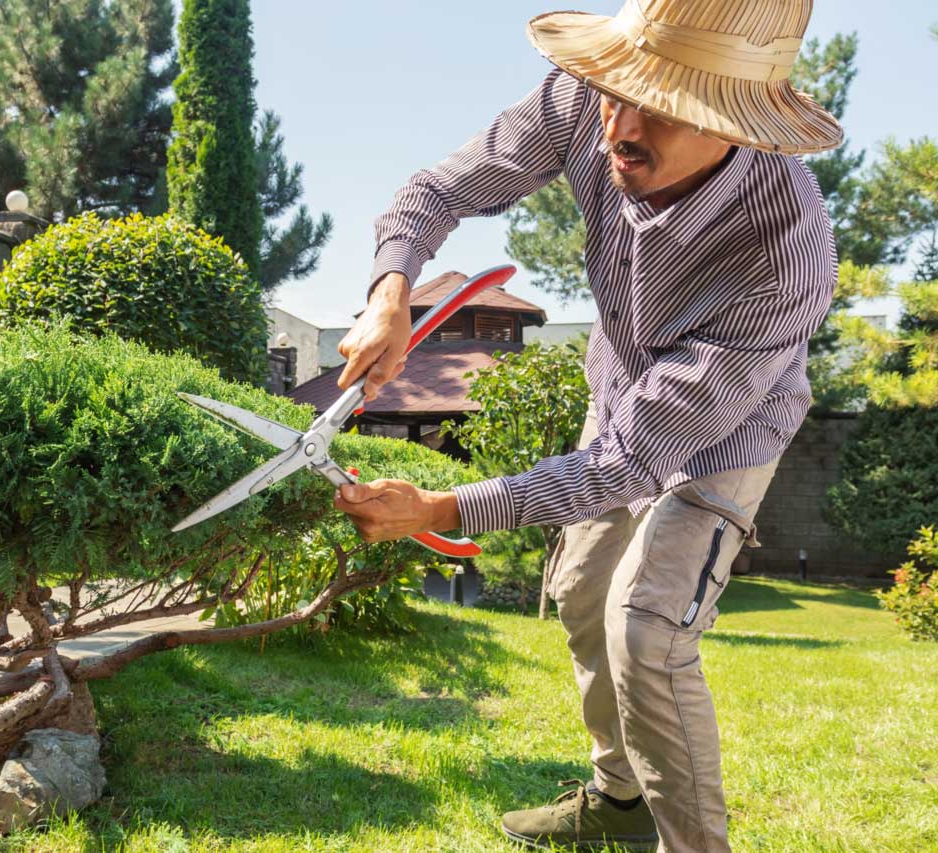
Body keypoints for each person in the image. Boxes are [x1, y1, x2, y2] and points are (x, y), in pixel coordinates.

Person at [332, 1, 841, 850]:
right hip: (621, 390)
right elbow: (439, 188)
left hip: (725, 431)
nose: (622, 125)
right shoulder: (583, 100)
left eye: (663, 107)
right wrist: (390, 291)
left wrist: (435, 509)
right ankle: (618, 805)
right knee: (580, 592)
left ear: (737, 128)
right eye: (618, 90)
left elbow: (631, 461)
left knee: (644, 624)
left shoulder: (784, 250)